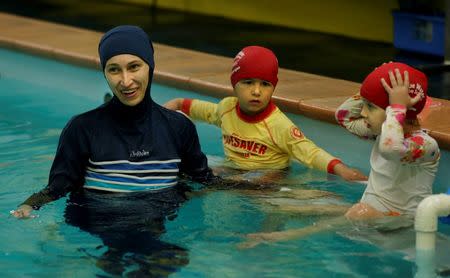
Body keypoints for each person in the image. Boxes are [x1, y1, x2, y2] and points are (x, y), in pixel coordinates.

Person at [11, 25, 216, 276]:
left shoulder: (178, 127)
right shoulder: (83, 128)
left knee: (168, 258)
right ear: (104, 73)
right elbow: (59, 186)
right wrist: (30, 205)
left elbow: (201, 180)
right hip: (98, 222)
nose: (126, 81)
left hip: (156, 221)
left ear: (150, 66)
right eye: (114, 70)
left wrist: (261, 190)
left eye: (134, 67)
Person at [238, 62, 441, 248]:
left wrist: (396, 107)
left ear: (401, 111)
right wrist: (376, 83)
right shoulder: (383, 132)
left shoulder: (424, 146)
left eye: (369, 106)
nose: (362, 113)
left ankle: (286, 237)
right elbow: (343, 116)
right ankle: (265, 232)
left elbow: (392, 149)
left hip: (402, 222)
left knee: (358, 212)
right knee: (290, 206)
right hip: (373, 211)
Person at [164, 45, 367, 186]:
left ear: (273, 88)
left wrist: (342, 170)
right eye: (248, 82)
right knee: (187, 173)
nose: (256, 91)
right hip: (235, 173)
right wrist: (172, 106)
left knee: (248, 182)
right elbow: (195, 108)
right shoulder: (226, 108)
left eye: (265, 84)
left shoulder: (278, 125)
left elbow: (309, 152)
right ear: (234, 84)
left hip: (269, 181)